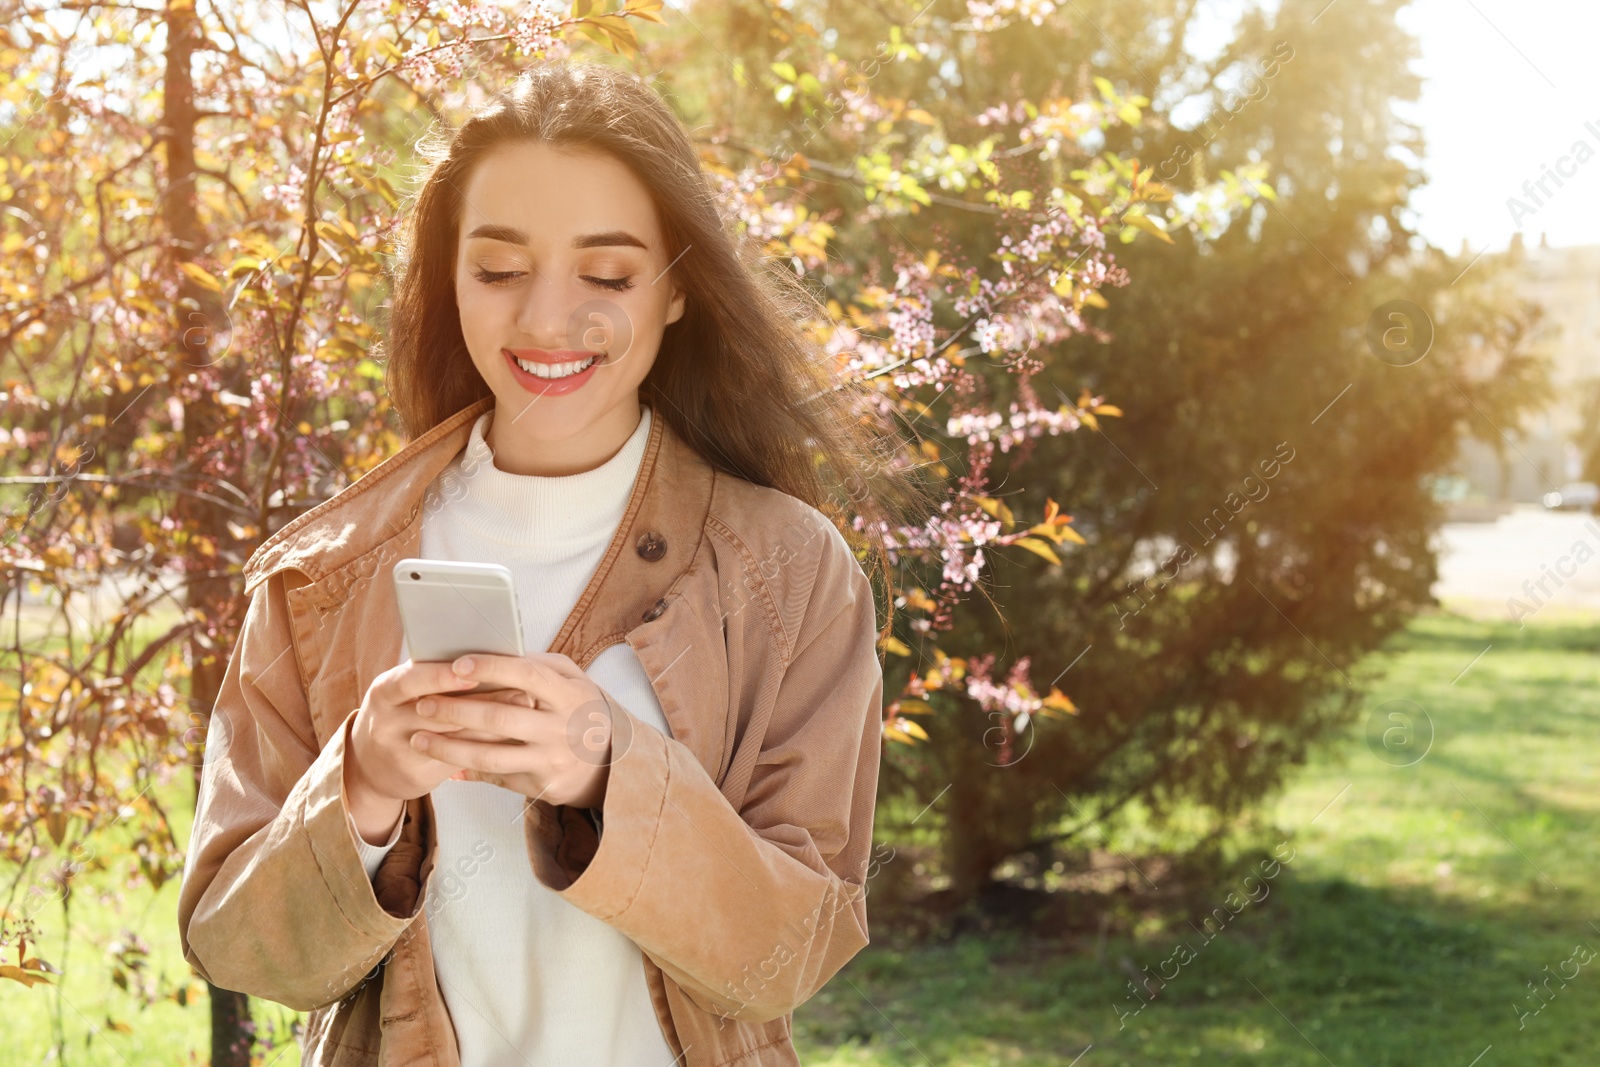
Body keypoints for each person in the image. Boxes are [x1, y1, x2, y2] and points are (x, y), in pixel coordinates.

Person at [177, 58, 932, 1067]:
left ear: (675, 291)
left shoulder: (789, 570)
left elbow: (790, 952)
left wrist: (607, 768)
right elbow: (237, 943)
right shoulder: (322, 576)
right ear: (449, 281)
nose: (545, 318)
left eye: (608, 273)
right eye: (497, 269)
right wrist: (358, 782)